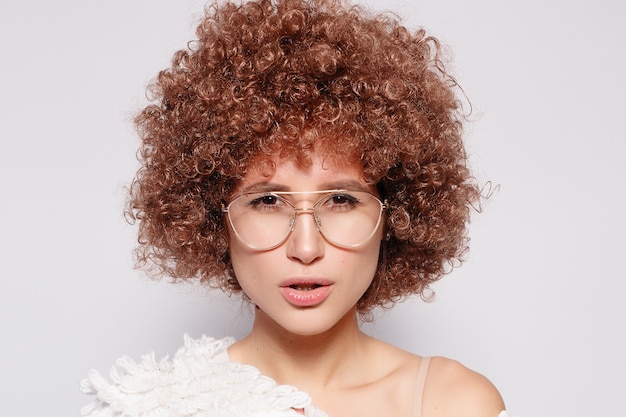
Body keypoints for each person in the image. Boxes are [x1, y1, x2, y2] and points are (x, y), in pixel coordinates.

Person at [81, 0, 513, 416]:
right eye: (267, 201)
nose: (306, 248)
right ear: (214, 221)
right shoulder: (157, 408)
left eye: (341, 200)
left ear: (393, 216)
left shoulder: (453, 404)